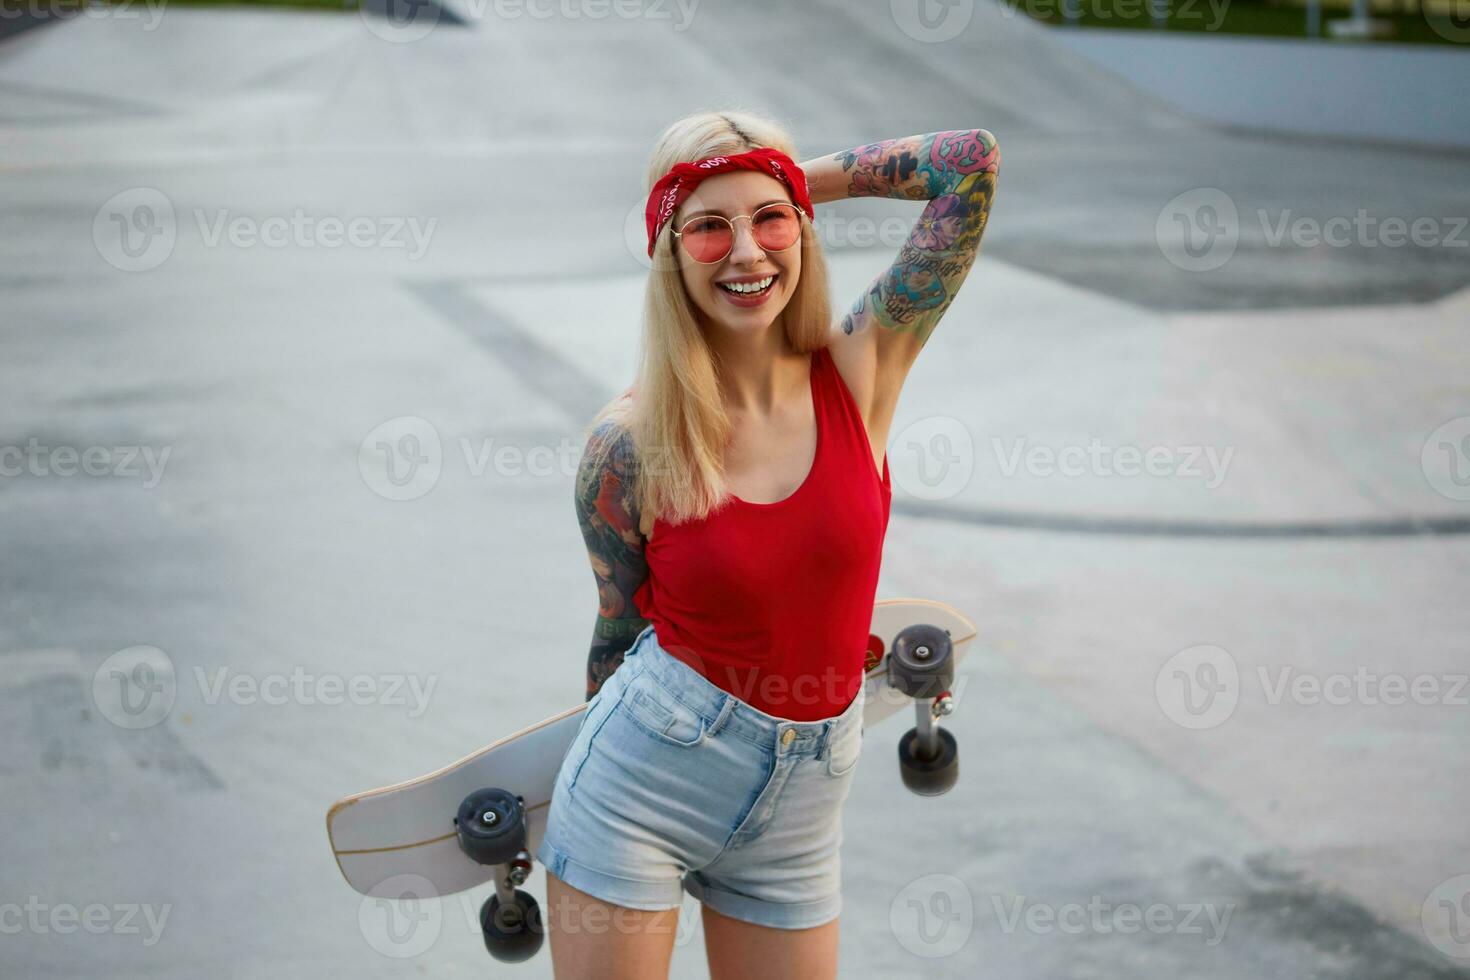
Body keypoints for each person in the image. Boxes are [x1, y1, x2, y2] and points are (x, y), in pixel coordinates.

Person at [536, 108, 999, 980]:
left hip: (800, 817)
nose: (748, 252)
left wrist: (783, 175)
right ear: (668, 252)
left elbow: (968, 167)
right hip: (641, 790)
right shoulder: (628, 444)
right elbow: (614, 633)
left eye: (770, 219)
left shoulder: (862, 371)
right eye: (708, 227)